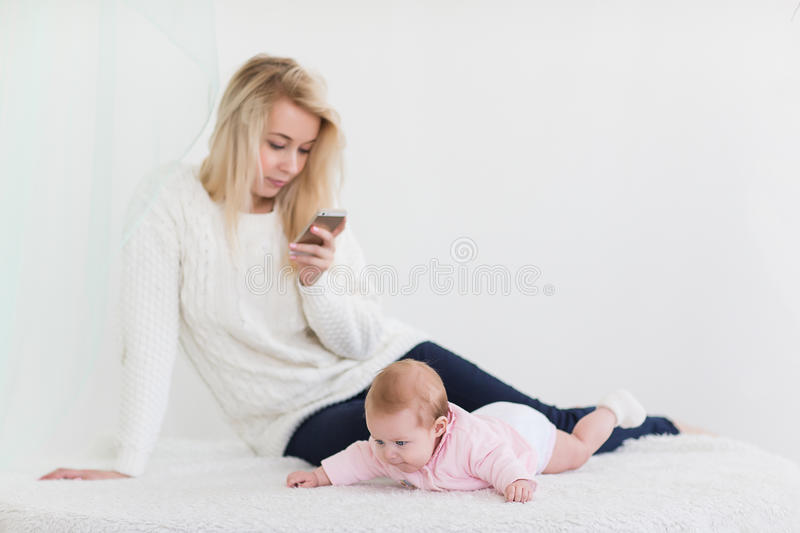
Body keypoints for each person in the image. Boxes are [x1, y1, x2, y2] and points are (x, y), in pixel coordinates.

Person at [39, 54, 679, 482]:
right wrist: (127, 461)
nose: (290, 165)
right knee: (475, 445)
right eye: (277, 144)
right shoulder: (167, 203)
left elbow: (359, 340)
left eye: (304, 149)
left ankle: (662, 427)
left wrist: (317, 284)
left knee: (541, 424)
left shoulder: (314, 205)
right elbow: (148, 342)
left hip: (388, 360)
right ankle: (647, 424)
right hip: (296, 416)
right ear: (236, 128)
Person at [287, 360, 647, 502]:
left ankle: (612, 409)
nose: (387, 453)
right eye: (379, 439)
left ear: (439, 428)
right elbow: (359, 458)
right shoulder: (388, 449)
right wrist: (319, 476)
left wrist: (515, 480)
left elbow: (497, 457)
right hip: (490, 418)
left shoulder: (468, 444)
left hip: (520, 432)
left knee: (579, 450)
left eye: (399, 442)